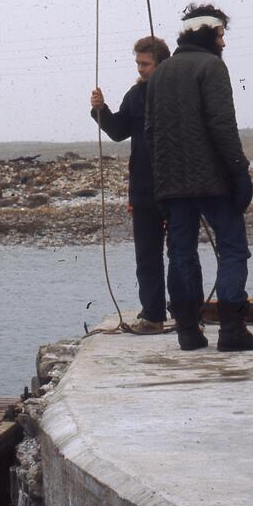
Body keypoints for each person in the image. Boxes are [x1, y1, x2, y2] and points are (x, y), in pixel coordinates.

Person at [146, 3, 253, 353]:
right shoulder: (212, 67)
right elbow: (222, 127)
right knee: (233, 249)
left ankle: (188, 331)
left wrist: (160, 187)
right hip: (214, 183)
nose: (224, 43)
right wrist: (240, 172)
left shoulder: (161, 73)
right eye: (221, 35)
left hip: (172, 184)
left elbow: (152, 133)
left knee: (180, 254)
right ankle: (231, 330)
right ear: (207, 34)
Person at [89, 35, 172, 333]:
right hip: (143, 189)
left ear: (161, 62)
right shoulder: (135, 95)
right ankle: (152, 316)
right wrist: (102, 110)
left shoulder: (177, 91)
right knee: (147, 256)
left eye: (145, 64)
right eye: (138, 63)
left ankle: (186, 311)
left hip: (177, 187)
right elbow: (118, 131)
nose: (140, 69)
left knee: (180, 253)